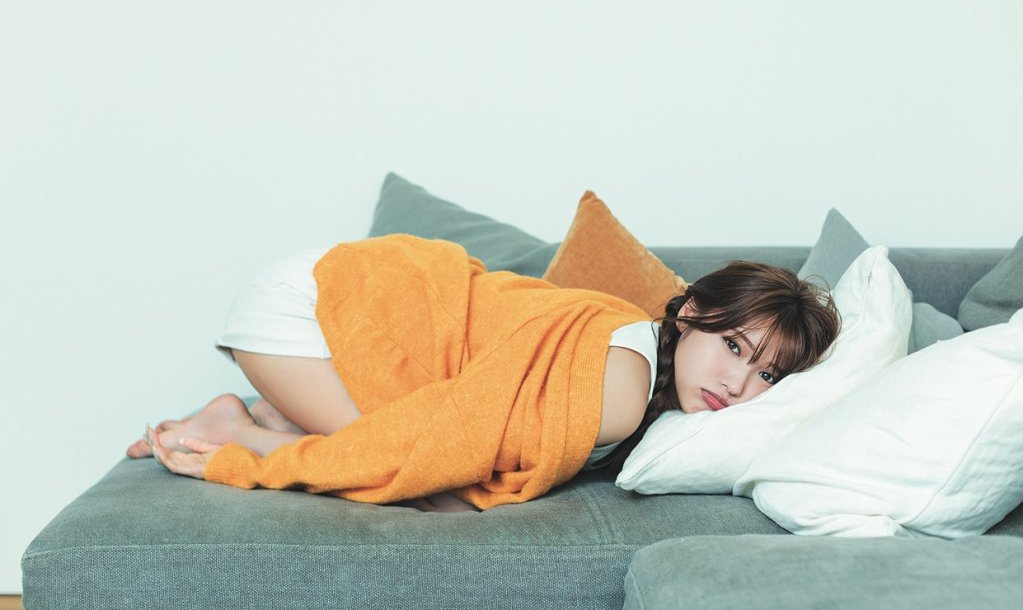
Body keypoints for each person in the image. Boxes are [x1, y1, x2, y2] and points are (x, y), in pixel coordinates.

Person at [126, 234, 839, 511]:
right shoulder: (621, 393)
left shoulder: (648, 377)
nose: (739, 386)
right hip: (310, 309)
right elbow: (438, 442)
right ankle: (243, 429)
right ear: (686, 313)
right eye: (736, 348)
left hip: (335, 297)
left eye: (769, 377)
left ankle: (259, 411)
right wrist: (241, 463)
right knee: (412, 483)